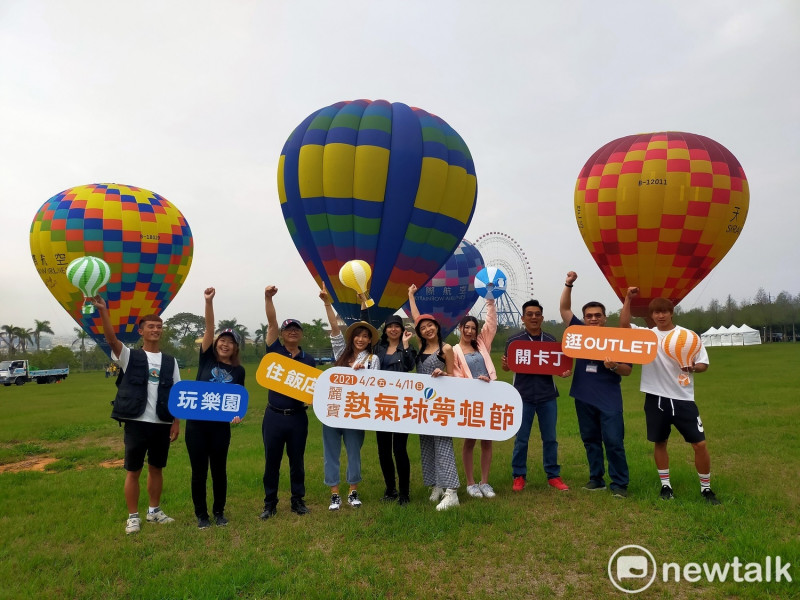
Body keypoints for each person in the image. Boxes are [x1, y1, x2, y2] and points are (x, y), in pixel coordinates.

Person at [620, 287, 720, 504]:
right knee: (660, 442)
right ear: (652, 315)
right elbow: (624, 325)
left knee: (699, 444)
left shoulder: (688, 336)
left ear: (671, 312)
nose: (661, 315)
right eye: (656, 312)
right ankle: (666, 486)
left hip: (683, 398)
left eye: (664, 311)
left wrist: (694, 367)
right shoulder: (647, 336)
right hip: (655, 397)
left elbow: (704, 364)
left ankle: (706, 489)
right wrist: (628, 299)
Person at [91, 295, 180, 535]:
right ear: (141, 331)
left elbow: (176, 393)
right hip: (136, 422)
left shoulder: (171, 362)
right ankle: (133, 517)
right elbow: (111, 340)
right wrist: (103, 312)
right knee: (133, 470)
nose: (156, 330)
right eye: (151, 326)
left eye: (159, 327)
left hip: (161, 422)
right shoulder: (130, 356)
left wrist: (176, 423)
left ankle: (154, 511)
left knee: (157, 468)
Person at [559, 271, 631, 498]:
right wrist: (568, 284)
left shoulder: (617, 338)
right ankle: (596, 479)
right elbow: (564, 309)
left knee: (613, 441)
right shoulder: (578, 332)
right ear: (584, 318)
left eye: (597, 315)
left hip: (609, 398)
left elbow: (627, 370)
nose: (592, 319)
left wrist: (612, 366)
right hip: (583, 395)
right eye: (588, 316)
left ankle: (619, 484)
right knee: (590, 441)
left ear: (605, 317)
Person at [186, 287, 245, 529]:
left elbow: (238, 401)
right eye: (222, 340)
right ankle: (202, 516)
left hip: (220, 429)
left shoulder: (238, 371)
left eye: (230, 342)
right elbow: (209, 329)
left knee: (219, 471)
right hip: (197, 427)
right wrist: (208, 302)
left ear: (235, 348)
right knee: (199, 472)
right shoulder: (207, 360)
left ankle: (219, 512)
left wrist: (238, 416)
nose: (225, 344)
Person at [320, 283, 379, 510]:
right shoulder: (340, 353)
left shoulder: (373, 360)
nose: (361, 339)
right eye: (358, 335)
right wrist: (328, 303)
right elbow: (335, 330)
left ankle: (353, 491)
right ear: (352, 337)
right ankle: (334, 494)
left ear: (369, 340)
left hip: (356, 412)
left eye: (365, 336)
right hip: (333, 409)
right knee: (331, 453)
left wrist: (363, 375)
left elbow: (375, 387)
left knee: (354, 452)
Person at [502, 300, 571, 492]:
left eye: (537, 314)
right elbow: (507, 365)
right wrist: (505, 366)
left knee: (550, 438)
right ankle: (519, 475)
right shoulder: (514, 341)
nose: (533, 317)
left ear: (542, 317)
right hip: (522, 397)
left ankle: (553, 475)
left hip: (547, 396)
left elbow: (559, 366)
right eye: (529, 314)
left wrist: (564, 372)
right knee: (521, 439)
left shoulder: (550, 340)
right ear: (523, 318)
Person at [260, 285, 315, 520]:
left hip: (297, 417)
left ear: (301, 334)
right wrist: (268, 298)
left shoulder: (309, 360)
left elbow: (314, 389)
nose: (292, 332)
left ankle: (297, 500)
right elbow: (271, 323)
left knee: (297, 461)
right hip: (273, 416)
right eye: (288, 329)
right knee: (272, 461)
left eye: (296, 329)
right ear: (282, 334)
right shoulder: (274, 353)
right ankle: (270, 503)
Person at [407, 284, 460, 511]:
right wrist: (410, 296)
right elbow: (417, 316)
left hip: (441, 404)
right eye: (423, 327)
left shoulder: (446, 349)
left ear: (437, 327)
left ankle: (452, 491)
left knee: (443, 443)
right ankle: (436, 485)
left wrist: (443, 373)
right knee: (426, 443)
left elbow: (454, 375)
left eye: (430, 326)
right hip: (422, 403)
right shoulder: (420, 347)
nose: (427, 329)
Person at [453, 298, 498, 499]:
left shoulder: (482, 344)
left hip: (488, 396)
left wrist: (490, 302)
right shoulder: (454, 350)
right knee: (469, 441)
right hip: (469, 399)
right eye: (467, 327)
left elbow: (491, 324)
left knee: (487, 441)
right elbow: (455, 374)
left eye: (473, 328)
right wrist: (471, 384)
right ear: (460, 328)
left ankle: (485, 482)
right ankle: (471, 483)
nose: (470, 331)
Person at [373, 314, 416, 505]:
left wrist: (406, 345)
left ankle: (404, 493)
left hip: (400, 405)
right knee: (383, 451)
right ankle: (390, 489)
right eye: (389, 326)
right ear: (385, 330)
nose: (393, 329)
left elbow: (409, 366)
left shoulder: (407, 348)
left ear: (401, 329)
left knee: (399, 450)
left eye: (396, 326)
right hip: (380, 404)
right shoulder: (378, 349)